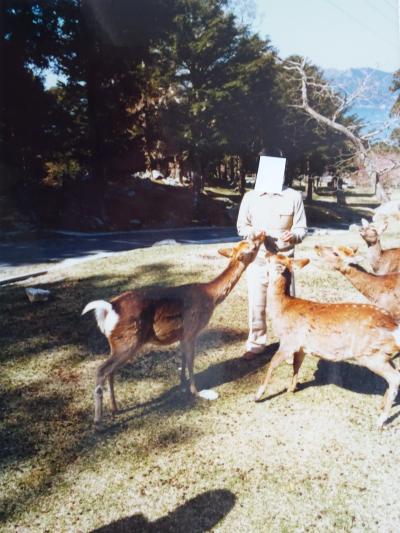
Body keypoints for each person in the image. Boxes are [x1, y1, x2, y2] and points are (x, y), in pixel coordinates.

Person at [237, 149, 307, 359]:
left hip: (283, 262)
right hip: (258, 260)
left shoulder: (293, 196)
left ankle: (289, 346)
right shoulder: (250, 197)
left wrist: (293, 236)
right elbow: (242, 226)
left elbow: (302, 229)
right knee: (257, 303)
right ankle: (256, 344)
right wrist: (253, 234)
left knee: (288, 305)